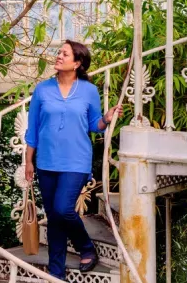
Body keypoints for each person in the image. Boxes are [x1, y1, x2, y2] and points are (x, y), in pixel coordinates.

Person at [25, 40, 122, 277]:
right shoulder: (42, 89)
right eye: (59, 52)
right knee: (55, 220)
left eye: (64, 54)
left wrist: (107, 119)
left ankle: (86, 246)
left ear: (77, 63)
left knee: (62, 209)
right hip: (46, 163)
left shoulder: (89, 90)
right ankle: (56, 274)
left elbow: (94, 125)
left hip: (76, 161)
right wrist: (28, 161)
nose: (58, 56)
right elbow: (33, 129)